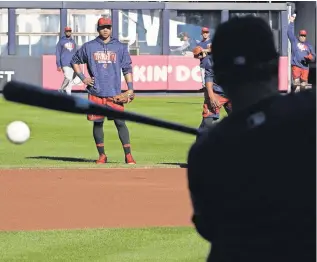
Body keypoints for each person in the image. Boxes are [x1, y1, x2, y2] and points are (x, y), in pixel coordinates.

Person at [187, 16, 316, 262]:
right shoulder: (308, 113)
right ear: (274, 66)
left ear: (221, 75)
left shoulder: (205, 151)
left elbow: (208, 227)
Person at [70, 17, 136, 165]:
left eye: (108, 27)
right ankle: (102, 156)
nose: (105, 29)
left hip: (115, 93)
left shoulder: (119, 47)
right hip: (96, 92)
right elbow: (74, 61)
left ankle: (128, 156)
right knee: (98, 123)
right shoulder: (89, 46)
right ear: (98, 29)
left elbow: (127, 68)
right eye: (102, 27)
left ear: (111, 28)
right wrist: (83, 78)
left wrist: (130, 88)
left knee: (120, 123)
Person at [288, 14, 315, 92]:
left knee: (304, 84)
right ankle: (296, 97)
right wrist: (291, 22)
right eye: (301, 35)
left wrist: (311, 57)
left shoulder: (309, 46)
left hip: (305, 67)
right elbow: (289, 32)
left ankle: (302, 96)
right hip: (296, 65)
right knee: (296, 83)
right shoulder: (294, 41)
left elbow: (314, 57)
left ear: (306, 36)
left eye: (304, 35)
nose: (303, 37)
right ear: (298, 35)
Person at [56, 26, 78, 95]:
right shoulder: (61, 41)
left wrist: (76, 62)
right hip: (64, 62)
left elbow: (75, 53)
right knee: (68, 77)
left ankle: (69, 96)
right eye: (67, 31)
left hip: (72, 63)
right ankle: (61, 89)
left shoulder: (73, 41)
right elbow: (57, 53)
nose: (68, 32)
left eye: (69, 31)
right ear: (65, 32)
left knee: (72, 80)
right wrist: (58, 64)